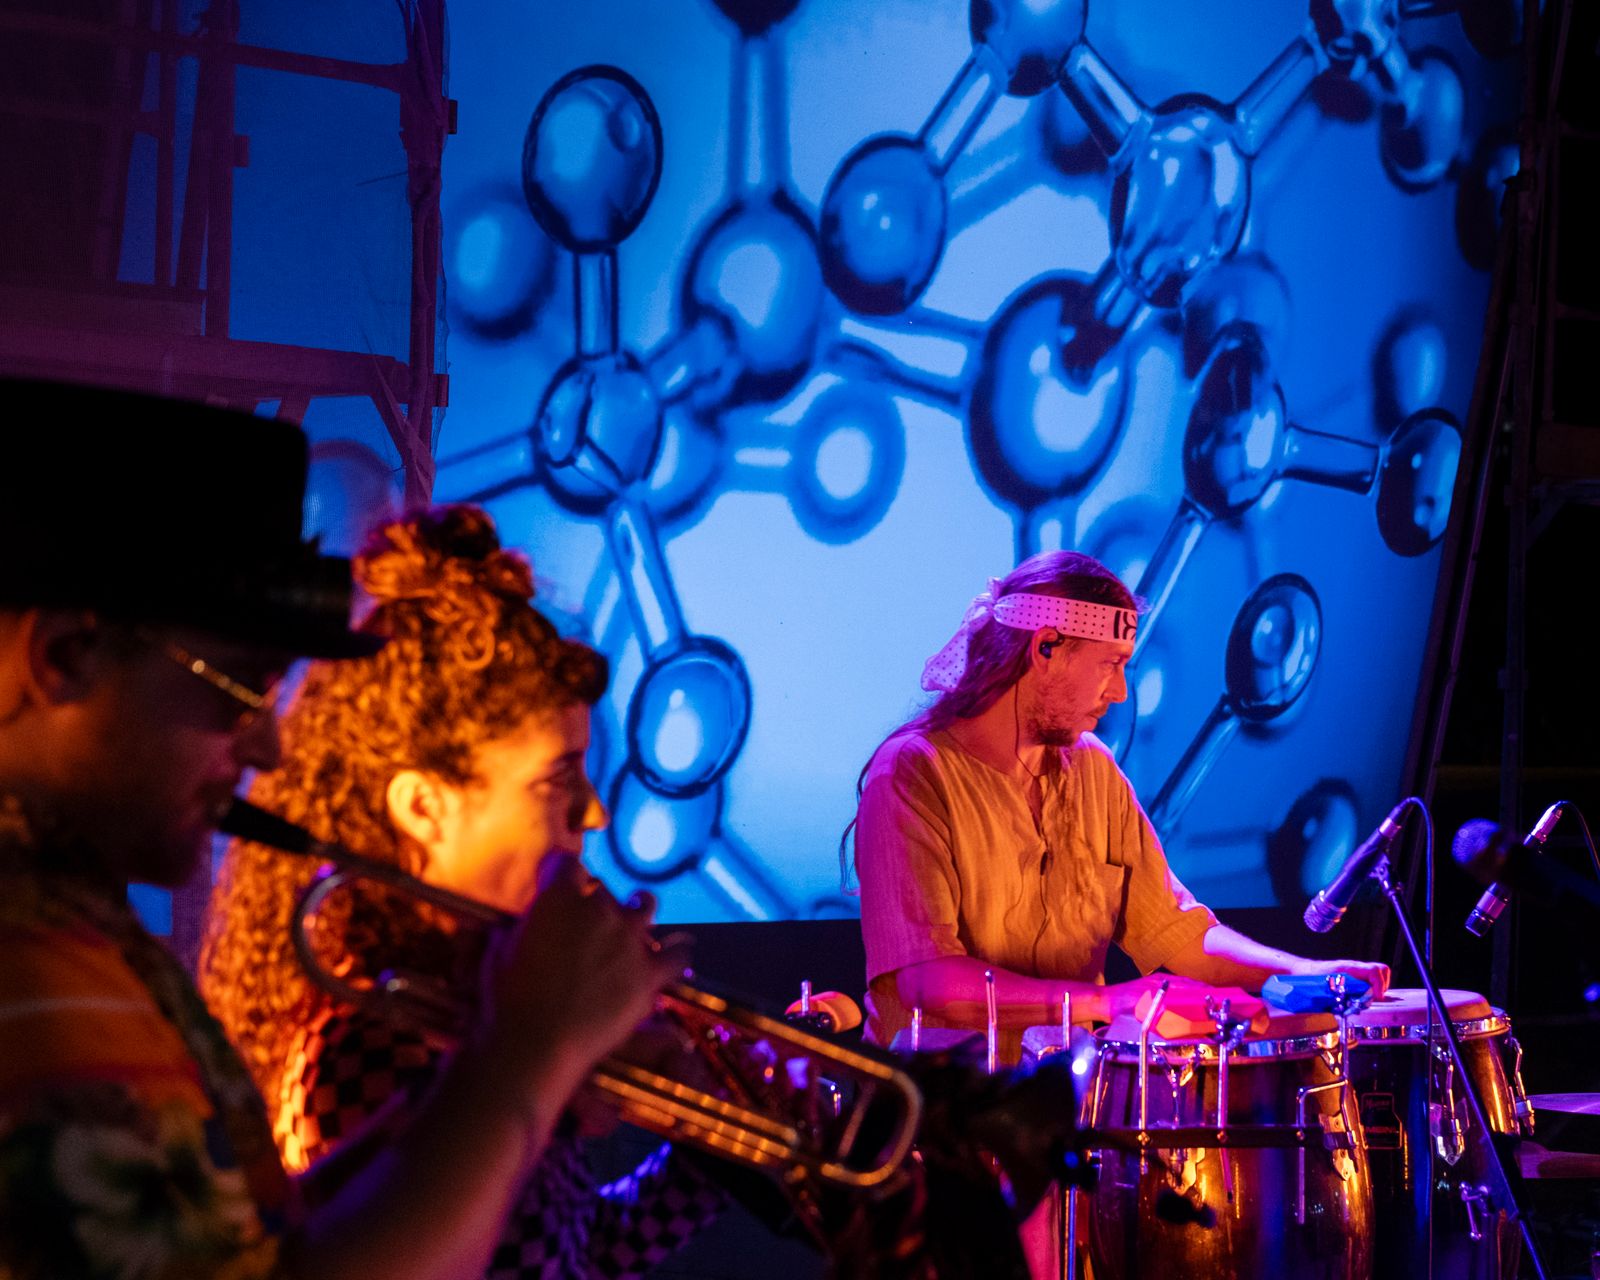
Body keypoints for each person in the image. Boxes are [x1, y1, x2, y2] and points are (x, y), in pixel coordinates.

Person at [0, 379, 682, 1280]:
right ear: (65, 659)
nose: (268, 745)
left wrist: (523, 1078)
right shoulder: (23, 959)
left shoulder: (79, 931)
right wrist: (524, 1060)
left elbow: (261, 1256)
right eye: (239, 687)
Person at [198, 503, 724, 1278]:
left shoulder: (476, 1012)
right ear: (424, 807)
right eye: (556, 779)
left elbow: (577, 1249)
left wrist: (712, 1151)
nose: (595, 812)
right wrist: (546, 1072)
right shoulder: (366, 1042)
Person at [848, 550, 1391, 1064]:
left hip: (1063, 1104)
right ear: (1046, 647)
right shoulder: (912, 772)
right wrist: (1114, 1001)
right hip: (933, 1111)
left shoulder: (1094, 768)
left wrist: (1306, 972)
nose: (1120, 692)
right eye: (1111, 663)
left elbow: (1180, 933)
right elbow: (929, 982)